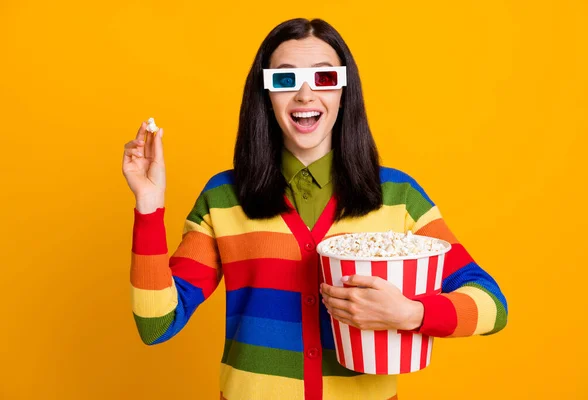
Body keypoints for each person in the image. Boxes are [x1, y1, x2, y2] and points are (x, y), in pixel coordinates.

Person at [121, 18, 508, 400]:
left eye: (324, 78)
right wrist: (149, 206)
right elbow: (157, 323)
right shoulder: (224, 197)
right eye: (285, 80)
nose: (305, 95)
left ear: (344, 91)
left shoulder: (399, 196)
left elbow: (491, 304)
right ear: (265, 95)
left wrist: (411, 314)